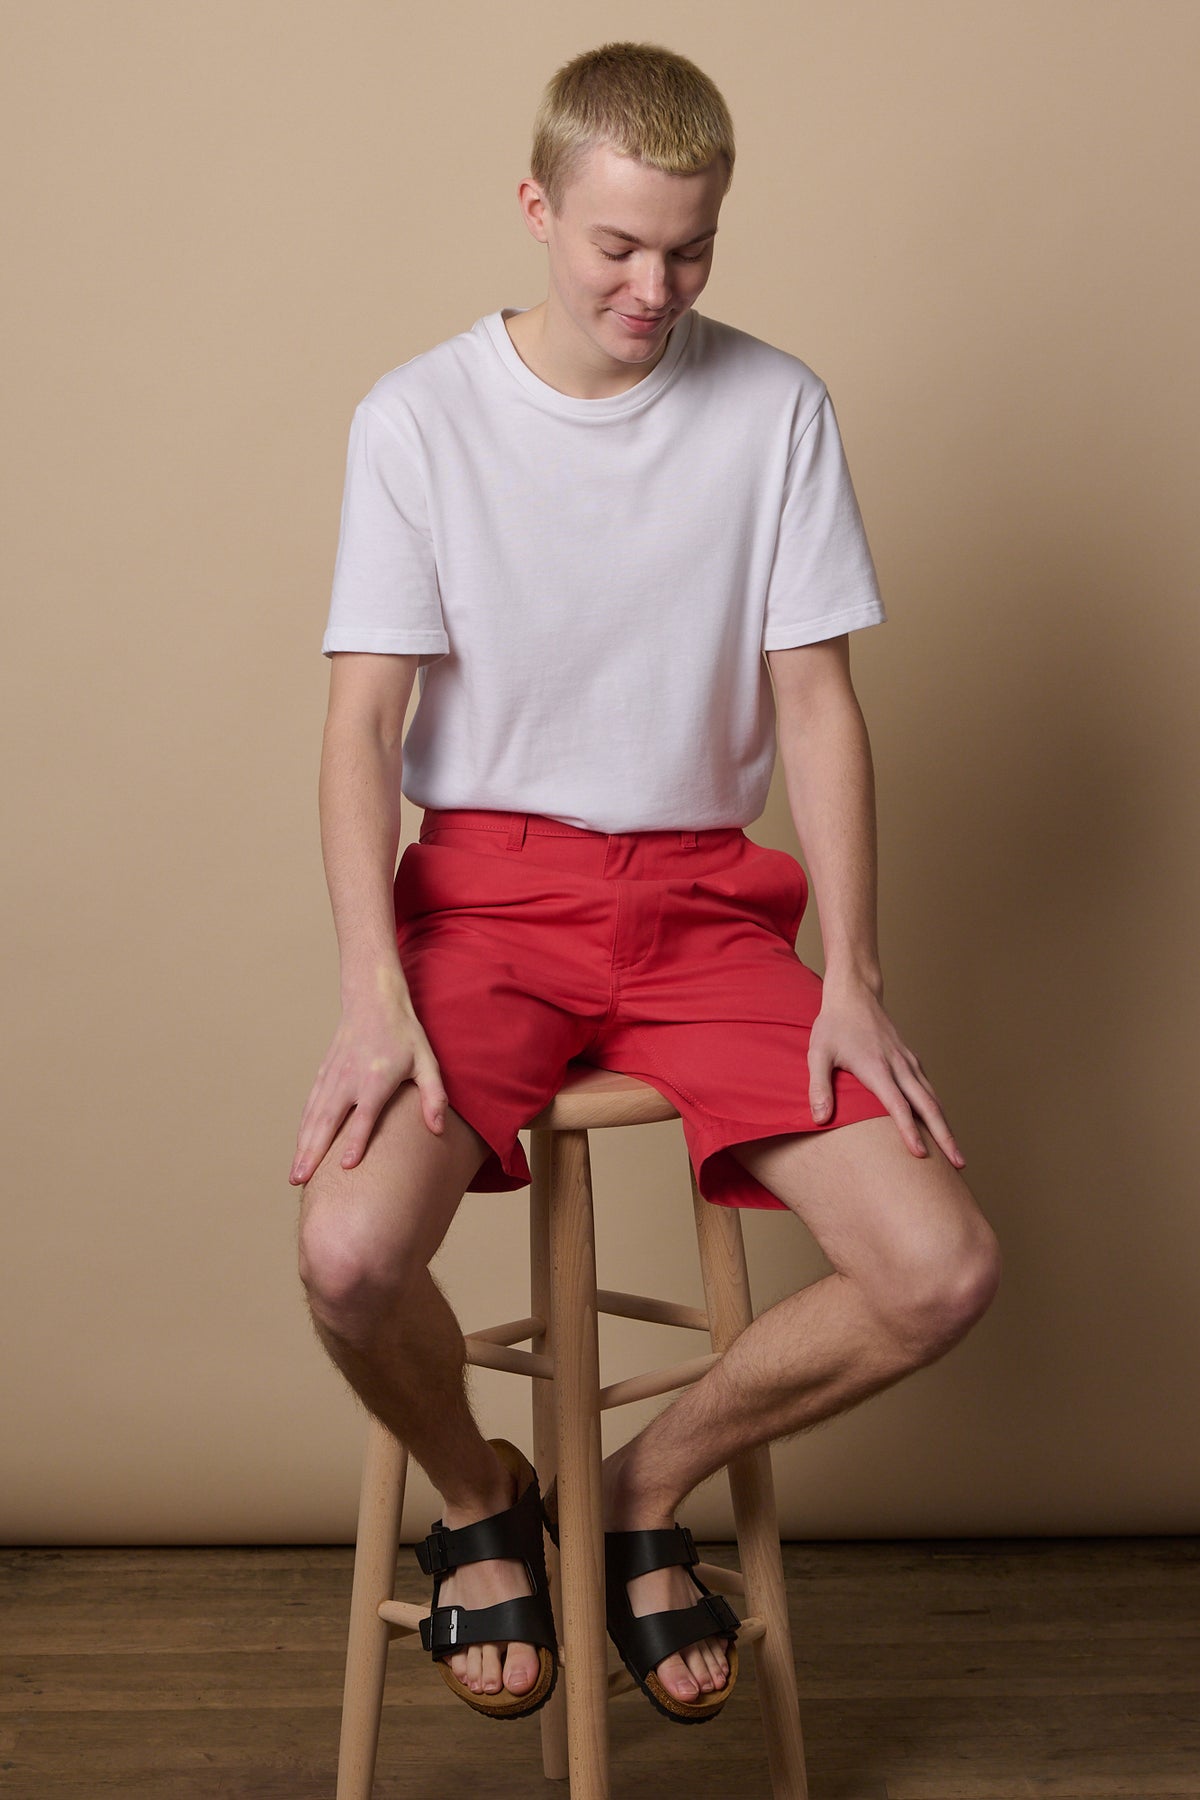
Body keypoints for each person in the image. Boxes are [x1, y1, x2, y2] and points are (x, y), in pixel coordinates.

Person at [291, 39, 1002, 1729]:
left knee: (942, 1269)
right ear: (538, 207)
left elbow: (818, 704)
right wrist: (369, 991)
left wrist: (859, 971)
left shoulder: (776, 407)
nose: (653, 285)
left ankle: (632, 1486)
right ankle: (484, 1501)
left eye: (688, 249)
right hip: (482, 902)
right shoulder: (418, 415)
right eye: (616, 245)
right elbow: (359, 730)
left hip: (705, 910)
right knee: (342, 1255)